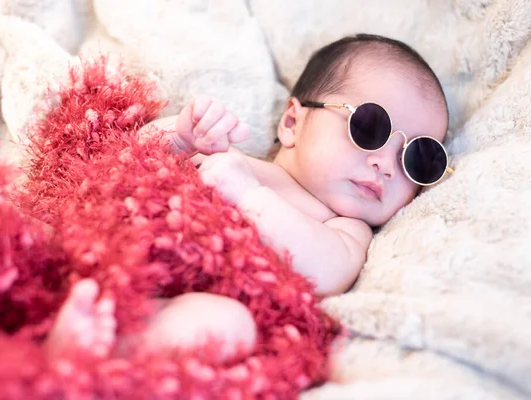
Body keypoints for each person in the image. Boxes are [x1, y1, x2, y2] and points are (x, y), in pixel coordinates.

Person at [47, 34, 451, 362]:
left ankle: (98, 351)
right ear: (292, 122)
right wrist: (180, 137)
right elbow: (125, 157)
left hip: (186, 299)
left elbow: (324, 272)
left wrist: (249, 195)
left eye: (417, 157)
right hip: (116, 245)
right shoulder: (232, 156)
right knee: (43, 228)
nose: (384, 165)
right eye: (369, 127)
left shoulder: (344, 228)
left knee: (227, 326)